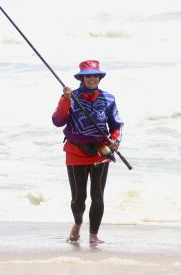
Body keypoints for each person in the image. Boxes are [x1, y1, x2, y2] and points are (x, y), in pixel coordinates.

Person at [52, 60, 123, 244]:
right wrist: (64, 99)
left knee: (97, 195)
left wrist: (115, 140)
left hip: (101, 152)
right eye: (88, 76)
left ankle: (93, 235)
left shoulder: (108, 98)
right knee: (78, 197)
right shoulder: (71, 96)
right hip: (75, 151)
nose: (92, 78)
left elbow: (116, 125)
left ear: (99, 77)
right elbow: (58, 121)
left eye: (95, 75)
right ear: (81, 78)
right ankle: (77, 223)